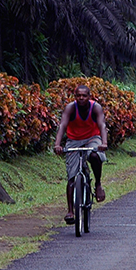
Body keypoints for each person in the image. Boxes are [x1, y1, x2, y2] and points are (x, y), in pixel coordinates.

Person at [53, 84, 108, 224]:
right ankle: (70, 211)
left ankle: (98, 184)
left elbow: (102, 125)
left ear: (89, 96)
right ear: (75, 96)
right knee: (71, 177)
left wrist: (104, 143)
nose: (81, 98)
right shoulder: (70, 108)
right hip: (74, 140)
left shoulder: (96, 107)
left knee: (95, 156)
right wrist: (57, 144)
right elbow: (62, 126)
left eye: (84, 96)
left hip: (92, 138)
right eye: (78, 96)